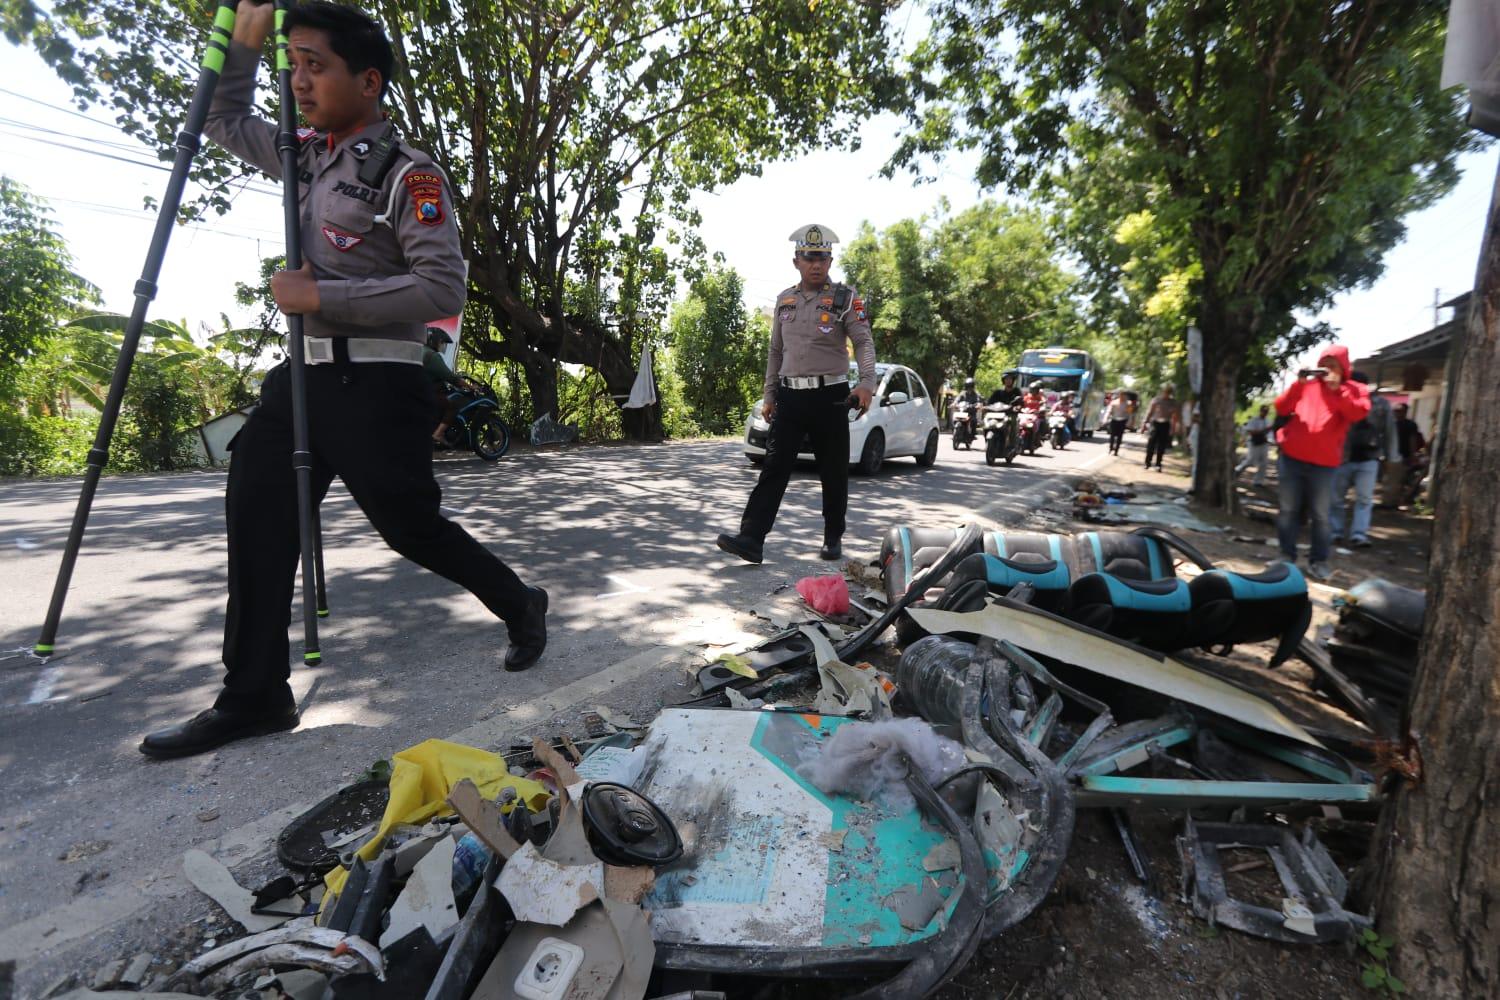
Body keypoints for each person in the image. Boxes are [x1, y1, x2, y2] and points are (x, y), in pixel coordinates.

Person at [140, 1, 547, 760]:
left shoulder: (408, 174)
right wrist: (239, 48)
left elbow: (442, 289)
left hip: (378, 385)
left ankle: (520, 602)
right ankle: (254, 695)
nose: (298, 80)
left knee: (409, 528)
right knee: (256, 512)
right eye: (291, 64)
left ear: (368, 81)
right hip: (300, 378)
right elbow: (227, 121)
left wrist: (320, 296)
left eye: (314, 65)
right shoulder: (301, 152)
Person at [716, 224, 876, 564]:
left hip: (831, 395)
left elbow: (863, 341)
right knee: (773, 467)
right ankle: (751, 538)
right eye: (809, 258)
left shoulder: (845, 299)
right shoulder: (784, 300)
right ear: (796, 261)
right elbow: (776, 351)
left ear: (830, 260)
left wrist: (866, 383)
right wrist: (769, 395)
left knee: (833, 471)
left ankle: (833, 536)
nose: (816, 264)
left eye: (822, 258)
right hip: (790, 397)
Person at [1273, 345, 1370, 580]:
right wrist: (1298, 384)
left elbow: (1358, 413)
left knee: (1321, 515)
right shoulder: (1306, 386)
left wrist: (1338, 391)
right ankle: (1286, 556)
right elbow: (1281, 407)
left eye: (1332, 364)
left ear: (1343, 368)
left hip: (1325, 464)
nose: (1326, 369)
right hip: (1292, 458)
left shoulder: (1354, 389)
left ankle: (1319, 560)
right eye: (1324, 363)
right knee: (1287, 510)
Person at [1329, 376, 1397, 548]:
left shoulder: (1380, 403)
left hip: (1369, 458)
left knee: (1364, 499)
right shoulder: (1339, 399)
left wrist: (1391, 457)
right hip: (1342, 457)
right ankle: (1334, 532)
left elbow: (1389, 430)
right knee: (1336, 499)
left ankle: (1358, 535)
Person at [423, 328, 476, 443]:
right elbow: (451, 377)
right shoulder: (432, 356)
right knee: (454, 406)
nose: (443, 345)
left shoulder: (420, 351)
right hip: (430, 394)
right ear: (435, 341)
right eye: (442, 342)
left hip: (419, 392)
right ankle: (438, 433)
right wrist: (470, 386)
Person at [1142, 385, 1177, 471]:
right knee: (1151, 443)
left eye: (1169, 392)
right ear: (1162, 392)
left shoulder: (1173, 402)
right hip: (1155, 423)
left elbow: (1174, 416)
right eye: (1166, 392)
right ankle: (1147, 463)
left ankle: (1158, 464)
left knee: (1162, 445)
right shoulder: (1156, 400)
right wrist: (1144, 423)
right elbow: (1150, 412)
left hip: (1165, 424)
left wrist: (1173, 428)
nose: (1167, 394)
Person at [1236, 404, 1272, 486]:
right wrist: (1263, 431)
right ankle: (1237, 470)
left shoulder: (1268, 421)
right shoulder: (1254, 420)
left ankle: (1258, 481)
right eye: (1264, 411)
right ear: (1260, 411)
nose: (1265, 413)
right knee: (1250, 460)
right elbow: (1251, 432)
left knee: (1264, 462)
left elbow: (1269, 434)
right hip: (1254, 443)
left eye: (1266, 411)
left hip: (1264, 443)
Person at [1105, 390, 1129, 455]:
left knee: (1119, 437)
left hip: (1122, 421)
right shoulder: (1114, 402)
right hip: (1114, 420)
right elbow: (1109, 410)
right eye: (1121, 395)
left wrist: (1129, 421)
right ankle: (1111, 448)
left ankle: (1116, 451)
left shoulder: (1127, 404)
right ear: (1119, 395)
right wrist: (1106, 418)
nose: (1122, 396)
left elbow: (1129, 413)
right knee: (1112, 435)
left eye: (1124, 395)